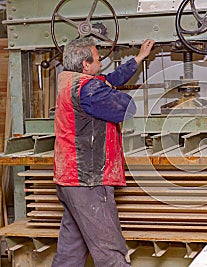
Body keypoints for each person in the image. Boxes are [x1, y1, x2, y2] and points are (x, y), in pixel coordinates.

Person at [52, 37, 155, 266]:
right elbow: (126, 108)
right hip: (88, 181)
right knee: (110, 251)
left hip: (69, 181)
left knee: (70, 253)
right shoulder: (89, 90)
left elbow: (107, 81)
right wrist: (113, 93)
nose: (101, 63)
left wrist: (138, 59)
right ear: (85, 65)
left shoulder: (69, 81)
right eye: (98, 60)